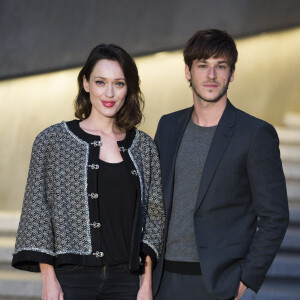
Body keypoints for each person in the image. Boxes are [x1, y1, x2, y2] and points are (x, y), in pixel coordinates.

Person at [12, 44, 165, 300]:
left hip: (125, 282)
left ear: (129, 88)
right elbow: (37, 212)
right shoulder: (53, 141)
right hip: (71, 280)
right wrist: (49, 280)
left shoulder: (144, 147)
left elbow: (155, 216)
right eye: (100, 82)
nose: (109, 93)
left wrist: (146, 283)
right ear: (85, 83)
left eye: (118, 83)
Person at [153, 29, 289, 300]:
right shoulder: (168, 126)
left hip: (217, 284)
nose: (211, 75)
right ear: (187, 71)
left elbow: (275, 216)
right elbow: (154, 204)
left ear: (232, 74)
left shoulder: (254, 134)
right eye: (203, 65)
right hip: (162, 281)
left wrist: (245, 280)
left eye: (220, 66)